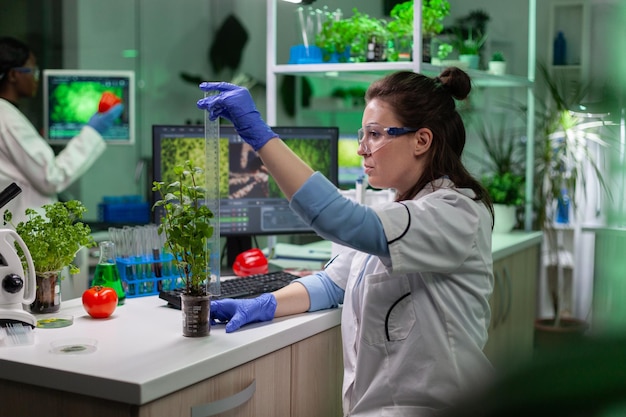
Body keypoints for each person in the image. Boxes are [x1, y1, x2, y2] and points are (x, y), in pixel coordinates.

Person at [198, 68, 495, 416]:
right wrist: (263, 303)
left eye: (374, 134)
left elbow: (340, 220)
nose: (361, 149)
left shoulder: (456, 212)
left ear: (422, 140)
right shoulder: (395, 209)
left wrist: (261, 137)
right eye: (362, 134)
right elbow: (333, 283)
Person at [0, 36, 123, 223]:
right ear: (13, 75)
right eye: (33, 70)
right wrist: (93, 132)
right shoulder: (8, 119)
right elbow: (51, 177)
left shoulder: (8, 115)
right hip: (19, 229)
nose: (35, 78)